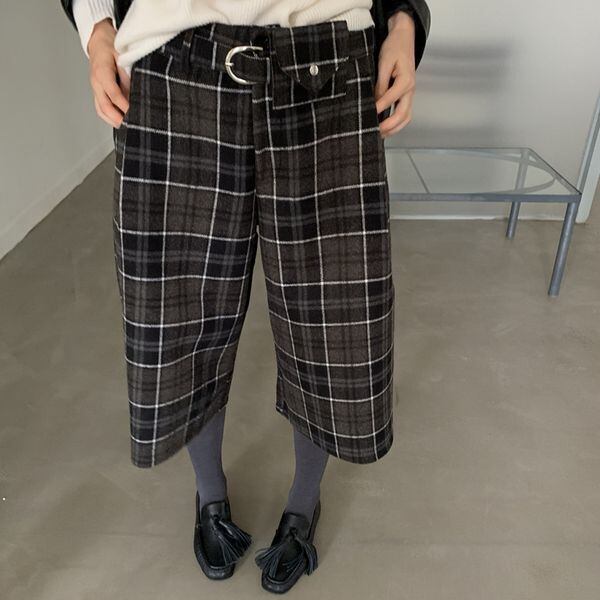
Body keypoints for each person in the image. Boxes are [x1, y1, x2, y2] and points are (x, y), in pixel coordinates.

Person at [60, 0, 430, 593]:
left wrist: (404, 18)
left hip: (327, 61)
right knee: (179, 318)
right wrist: (97, 28)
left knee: (330, 320)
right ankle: (209, 496)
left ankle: (304, 504)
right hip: (172, 68)